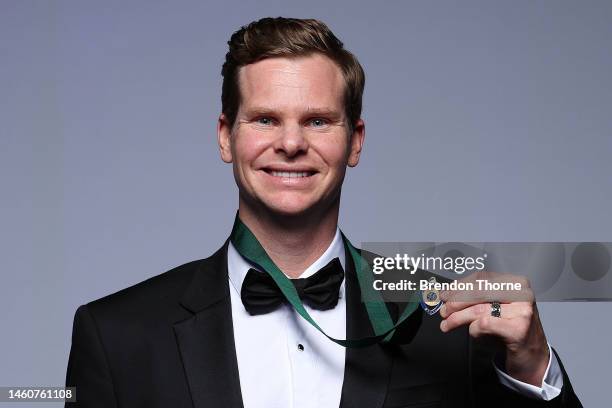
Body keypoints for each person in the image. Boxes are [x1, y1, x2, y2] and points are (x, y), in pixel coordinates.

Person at [65, 17, 582, 407]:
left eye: (317, 121)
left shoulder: (448, 323)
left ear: (354, 141)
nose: (290, 143)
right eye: (266, 119)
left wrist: (535, 366)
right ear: (226, 136)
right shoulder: (117, 336)